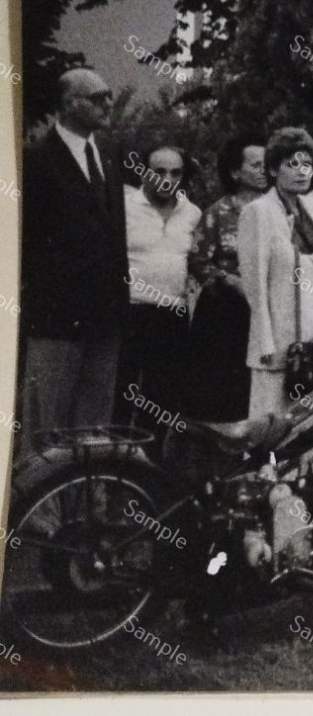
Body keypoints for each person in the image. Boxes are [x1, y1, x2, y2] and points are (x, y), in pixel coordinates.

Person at [19, 69, 128, 456]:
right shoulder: (33, 160)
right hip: (56, 319)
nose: (108, 104)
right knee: (45, 425)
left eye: (109, 95)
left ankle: (87, 506)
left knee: (93, 425)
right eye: (97, 97)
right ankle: (39, 514)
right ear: (69, 104)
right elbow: (24, 244)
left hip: (105, 315)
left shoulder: (109, 154)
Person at [238, 128, 313, 420]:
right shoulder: (259, 211)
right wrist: (265, 342)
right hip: (281, 339)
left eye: (306, 164)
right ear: (272, 169)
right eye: (292, 164)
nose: (302, 171)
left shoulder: (312, 207)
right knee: (274, 423)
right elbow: (254, 280)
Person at [118, 142, 201, 435]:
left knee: (163, 401)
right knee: (122, 396)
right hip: (130, 313)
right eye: (159, 171)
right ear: (143, 172)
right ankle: (112, 469)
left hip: (172, 316)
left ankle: (149, 472)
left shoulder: (192, 213)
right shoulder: (123, 207)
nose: (167, 179)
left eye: (176, 173)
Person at [187, 134, 268, 423]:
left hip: (268, 311)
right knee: (221, 392)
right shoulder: (218, 213)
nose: (263, 170)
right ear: (235, 172)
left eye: (267, 164)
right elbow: (198, 260)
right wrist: (228, 280)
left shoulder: (281, 210)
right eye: (256, 164)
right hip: (227, 314)